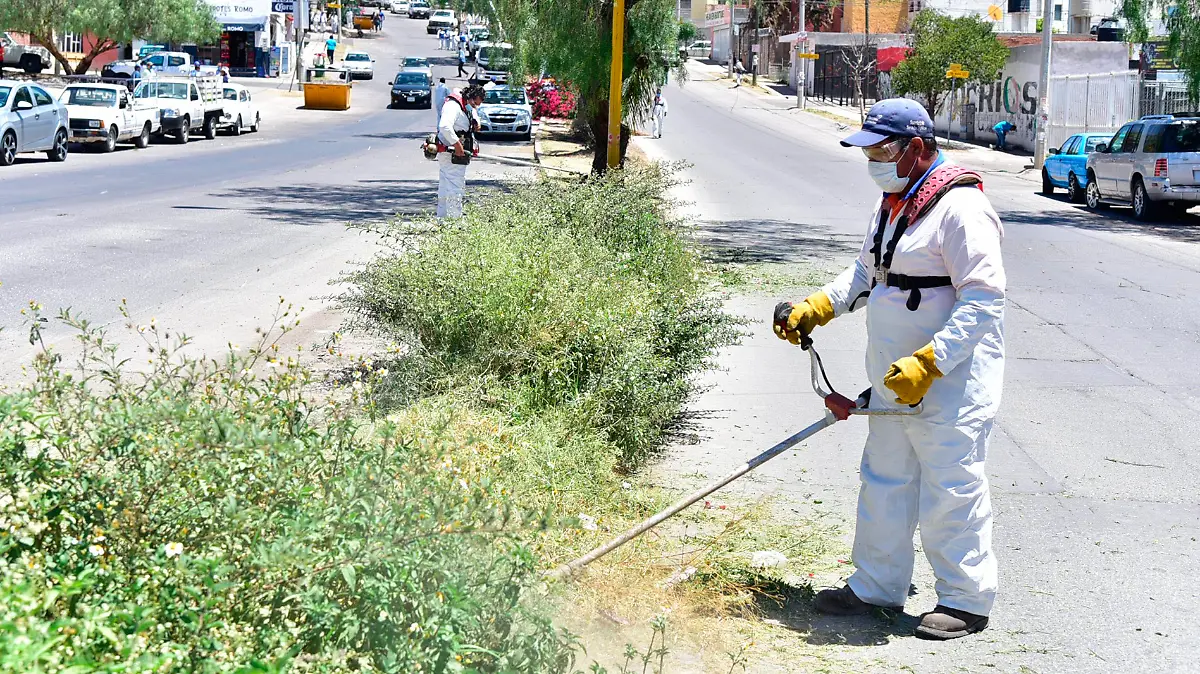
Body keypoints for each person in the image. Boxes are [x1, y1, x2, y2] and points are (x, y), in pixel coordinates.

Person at [773, 98, 1005, 641]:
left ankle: (966, 600)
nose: (872, 160)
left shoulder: (962, 209)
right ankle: (877, 585)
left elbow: (983, 301)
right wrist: (821, 305)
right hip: (893, 379)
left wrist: (931, 361)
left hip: (948, 382)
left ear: (916, 149)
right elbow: (868, 271)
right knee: (885, 478)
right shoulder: (896, 202)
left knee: (951, 485)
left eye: (881, 150)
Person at [436, 84, 485, 218]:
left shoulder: (464, 103)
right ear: (469, 97)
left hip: (455, 152)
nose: (475, 107)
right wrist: (457, 145)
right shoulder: (453, 106)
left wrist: (476, 121)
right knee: (455, 187)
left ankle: (442, 218)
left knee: (446, 185)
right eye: (475, 103)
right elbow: (445, 126)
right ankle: (454, 221)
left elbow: (472, 111)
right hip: (451, 152)